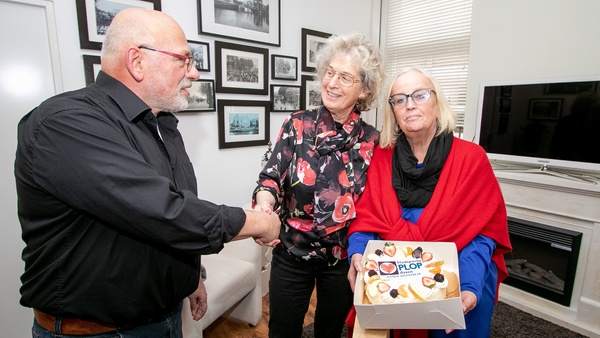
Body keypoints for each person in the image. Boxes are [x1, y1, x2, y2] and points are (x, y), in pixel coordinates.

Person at [14, 8, 280, 338]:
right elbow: (165, 212)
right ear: (137, 61)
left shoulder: (162, 125)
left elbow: (165, 222)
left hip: (163, 318)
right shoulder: (64, 123)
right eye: (184, 60)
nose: (194, 73)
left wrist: (189, 276)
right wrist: (260, 222)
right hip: (96, 332)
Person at [345, 67, 512, 338]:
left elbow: (482, 236)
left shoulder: (471, 159)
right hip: (392, 277)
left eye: (420, 95)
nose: (409, 105)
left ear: (437, 101)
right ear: (393, 111)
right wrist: (357, 255)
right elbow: (367, 220)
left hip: (457, 276)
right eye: (399, 99)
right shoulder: (381, 158)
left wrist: (469, 287)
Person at [252, 33, 384, 338]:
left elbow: (374, 205)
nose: (332, 83)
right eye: (330, 73)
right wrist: (264, 205)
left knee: (330, 331)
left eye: (345, 77)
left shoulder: (373, 141)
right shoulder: (298, 125)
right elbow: (270, 177)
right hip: (292, 253)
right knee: (282, 330)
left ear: (364, 90)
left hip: (343, 258)